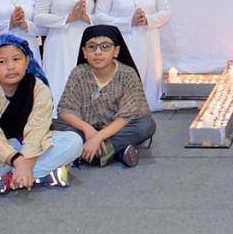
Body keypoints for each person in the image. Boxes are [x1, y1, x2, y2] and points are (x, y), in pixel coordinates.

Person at [0, 34, 83, 201]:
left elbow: (38, 127)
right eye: (2, 62)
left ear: (27, 61)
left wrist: (26, 162)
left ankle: (5, 181)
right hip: (0, 149)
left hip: (33, 146)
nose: (10, 67)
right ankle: (41, 175)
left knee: (74, 141)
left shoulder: (38, 88)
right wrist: (16, 159)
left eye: (16, 59)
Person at [53, 25, 157, 168]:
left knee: (146, 125)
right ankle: (116, 152)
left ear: (116, 51)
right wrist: (88, 130)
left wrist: (98, 137)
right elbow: (65, 110)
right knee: (52, 124)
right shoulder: (78, 73)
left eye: (105, 47)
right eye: (91, 47)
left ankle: (83, 153)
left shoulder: (127, 74)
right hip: (86, 127)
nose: (98, 52)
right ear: (84, 52)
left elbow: (126, 116)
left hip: (116, 128)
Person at [95, 0, 172, 111]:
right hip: (123, 41)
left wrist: (148, 20)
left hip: (148, 39)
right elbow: (99, 16)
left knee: (149, 76)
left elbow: (166, 12)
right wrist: (128, 22)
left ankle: (149, 104)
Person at [36, 0, 98, 107]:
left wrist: (86, 17)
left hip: (85, 42)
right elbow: (39, 17)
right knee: (60, 86)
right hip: (59, 42)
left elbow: (99, 16)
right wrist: (68, 18)